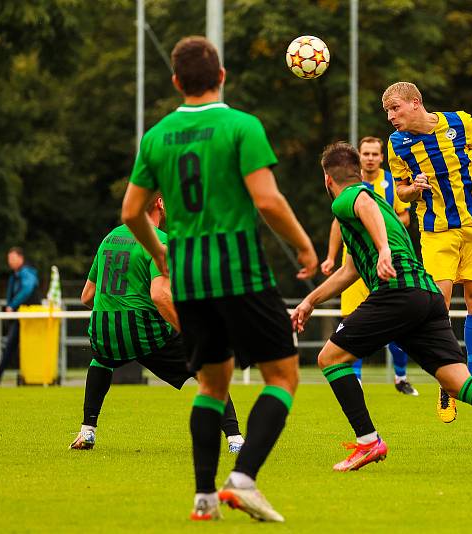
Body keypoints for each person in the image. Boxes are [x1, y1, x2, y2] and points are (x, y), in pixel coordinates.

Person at [121, 36, 317, 522]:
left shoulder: (157, 136)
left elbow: (130, 212)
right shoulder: (240, 126)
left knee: (211, 384)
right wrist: (304, 245)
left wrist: (161, 253)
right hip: (238, 271)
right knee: (283, 376)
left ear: (175, 82)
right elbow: (268, 202)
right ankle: (243, 480)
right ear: (222, 76)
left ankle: (204, 499)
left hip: (188, 278)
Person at [291, 142, 472, 474]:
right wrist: (309, 302)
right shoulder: (379, 206)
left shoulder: (350, 198)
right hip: (426, 296)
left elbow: (361, 203)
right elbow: (350, 270)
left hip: (398, 291)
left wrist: (384, 250)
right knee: (458, 383)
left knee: (329, 358)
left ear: (327, 180)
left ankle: (368, 441)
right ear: (359, 170)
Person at [382, 81, 472, 423]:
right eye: (388, 111)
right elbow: (401, 191)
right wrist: (413, 190)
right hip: (436, 230)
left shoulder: (461, 122)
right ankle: (448, 380)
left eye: (395, 109)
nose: (391, 117)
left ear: (415, 103)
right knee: (439, 303)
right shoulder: (397, 144)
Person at [69, 195, 244, 454]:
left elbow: (87, 297)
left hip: (103, 328)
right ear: (161, 203)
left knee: (102, 359)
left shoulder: (109, 238)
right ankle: (235, 439)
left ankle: (87, 431)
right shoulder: (160, 241)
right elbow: (160, 296)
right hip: (143, 329)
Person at [321, 136, 418, 395]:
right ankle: (357, 380)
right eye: (366, 153)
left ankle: (400, 377)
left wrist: (384, 237)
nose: (371, 158)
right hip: (355, 262)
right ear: (359, 157)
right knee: (351, 321)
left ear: (381, 157)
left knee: (397, 323)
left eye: (376, 154)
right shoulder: (348, 184)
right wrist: (331, 257)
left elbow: (404, 215)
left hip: (384, 261)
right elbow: (337, 224)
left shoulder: (389, 185)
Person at [0, 247, 41, 383]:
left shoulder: (27, 273)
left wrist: (12, 305)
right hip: (22, 315)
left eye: (13, 258)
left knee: (12, 345)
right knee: (12, 346)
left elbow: (27, 289)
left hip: (28, 316)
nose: (10, 262)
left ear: (21, 258)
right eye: (9, 259)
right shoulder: (15, 275)